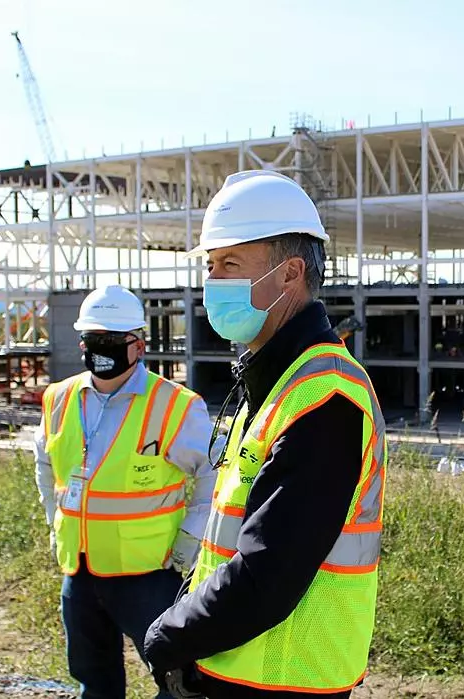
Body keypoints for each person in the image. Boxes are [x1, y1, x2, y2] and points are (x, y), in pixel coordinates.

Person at [143, 170, 388, 698]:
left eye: (231, 264)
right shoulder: (276, 382)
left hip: (282, 678)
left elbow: (267, 575)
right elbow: (227, 543)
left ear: (289, 273)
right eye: (210, 266)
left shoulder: (326, 398)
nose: (213, 281)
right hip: (237, 667)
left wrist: (167, 637)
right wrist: (190, 632)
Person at [33, 285, 220, 699]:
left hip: (148, 574)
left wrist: (190, 543)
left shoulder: (175, 405)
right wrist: (56, 524)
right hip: (80, 572)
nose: (103, 349)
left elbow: (212, 474)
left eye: (114, 341)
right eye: (94, 340)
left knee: (179, 681)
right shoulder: (59, 399)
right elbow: (46, 466)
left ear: (139, 345)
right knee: (93, 682)